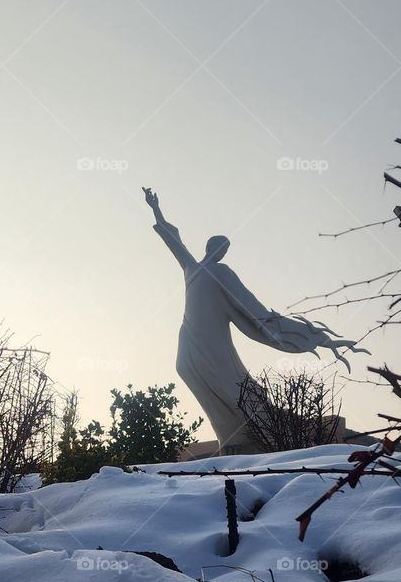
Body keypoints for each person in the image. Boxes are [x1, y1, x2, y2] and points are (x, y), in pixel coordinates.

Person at [143, 187, 367, 453]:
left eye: (224, 249)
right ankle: (231, 436)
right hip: (191, 336)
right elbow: (173, 241)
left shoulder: (223, 273)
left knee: (231, 384)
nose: (221, 252)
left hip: (214, 341)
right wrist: (156, 208)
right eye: (220, 247)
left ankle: (247, 437)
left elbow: (251, 308)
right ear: (210, 247)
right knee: (186, 369)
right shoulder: (192, 267)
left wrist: (284, 331)